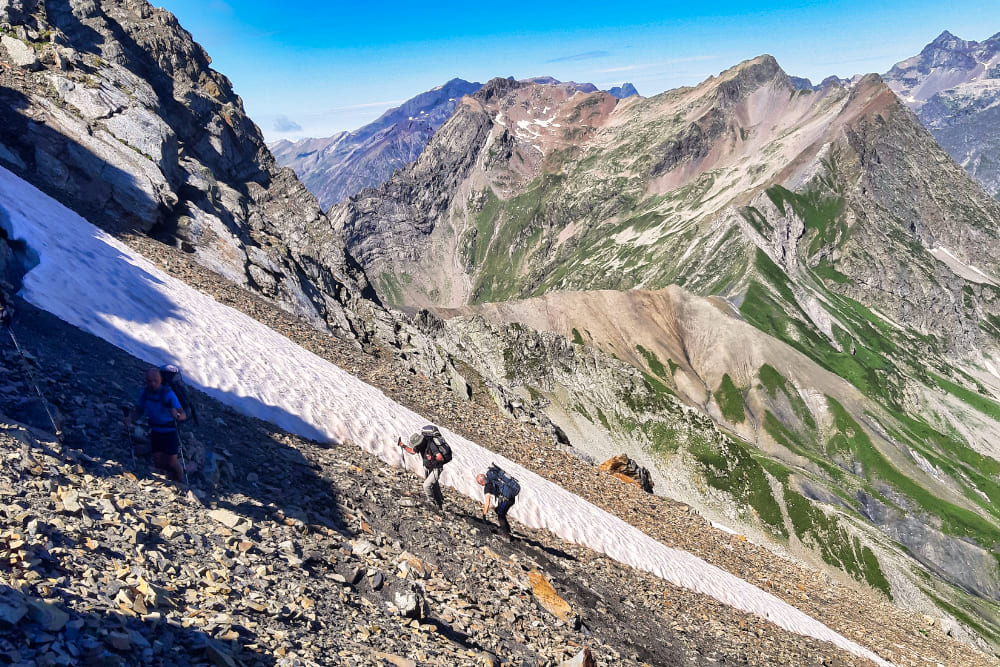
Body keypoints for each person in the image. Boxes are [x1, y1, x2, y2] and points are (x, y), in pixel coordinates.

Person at [126, 367, 186, 482]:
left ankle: (181, 484)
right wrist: (130, 419)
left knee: (172, 462)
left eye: (155, 380)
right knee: (158, 461)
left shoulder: (168, 394)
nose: (152, 384)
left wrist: (177, 415)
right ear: (146, 380)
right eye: (149, 381)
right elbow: (139, 410)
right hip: (155, 431)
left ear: (160, 380)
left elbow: (183, 413)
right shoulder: (144, 394)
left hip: (170, 432)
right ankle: (165, 484)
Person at [398, 425, 452, 511]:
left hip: (436, 468)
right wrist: (403, 446)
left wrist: (432, 458)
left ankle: (431, 502)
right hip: (428, 468)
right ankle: (440, 504)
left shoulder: (431, 445)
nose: (416, 447)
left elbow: (440, 458)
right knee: (434, 486)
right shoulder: (420, 445)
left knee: (426, 485)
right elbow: (412, 451)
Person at [477, 465, 520, 539]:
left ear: (481, 482)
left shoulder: (488, 486)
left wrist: (484, 515)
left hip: (506, 499)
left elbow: (487, 502)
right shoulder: (494, 478)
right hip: (511, 497)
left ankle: (506, 535)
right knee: (498, 510)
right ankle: (507, 529)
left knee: (500, 515)